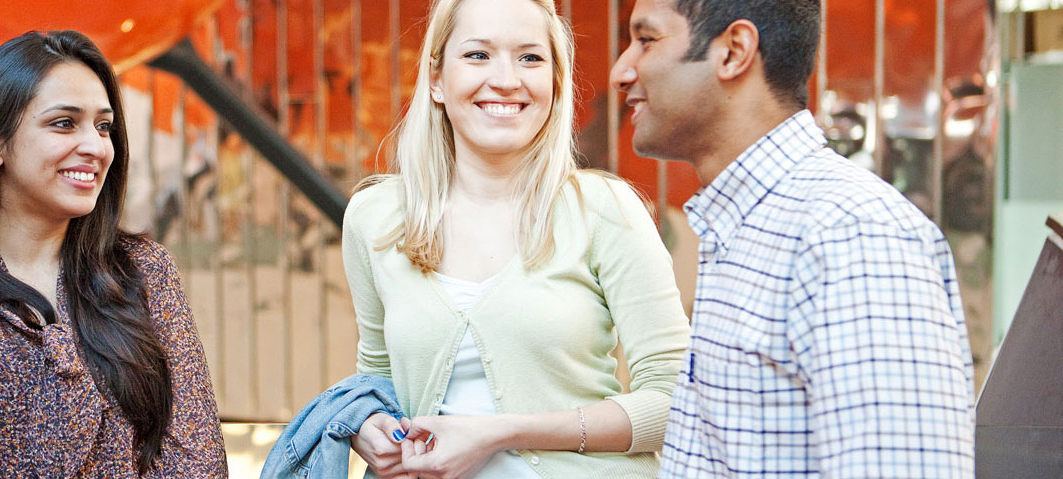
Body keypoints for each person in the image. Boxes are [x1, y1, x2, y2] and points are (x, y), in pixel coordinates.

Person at [608, 1, 975, 477]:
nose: (621, 71)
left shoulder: (852, 236)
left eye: (647, 40)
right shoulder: (745, 221)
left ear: (733, 51)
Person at [341, 0, 692, 477]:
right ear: (437, 79)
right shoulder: (375, 217)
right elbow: (378, 378)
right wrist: (368, 423)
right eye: (478, 55)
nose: (507, 79)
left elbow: (677, 400)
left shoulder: (606, 211)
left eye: (530, 58)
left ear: (556, 82)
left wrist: (501, 431)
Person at [0, 30, 227, 477]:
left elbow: (199, 459)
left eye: (104, 126)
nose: (96, 147)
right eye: (64, 123)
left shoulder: (143, 271)